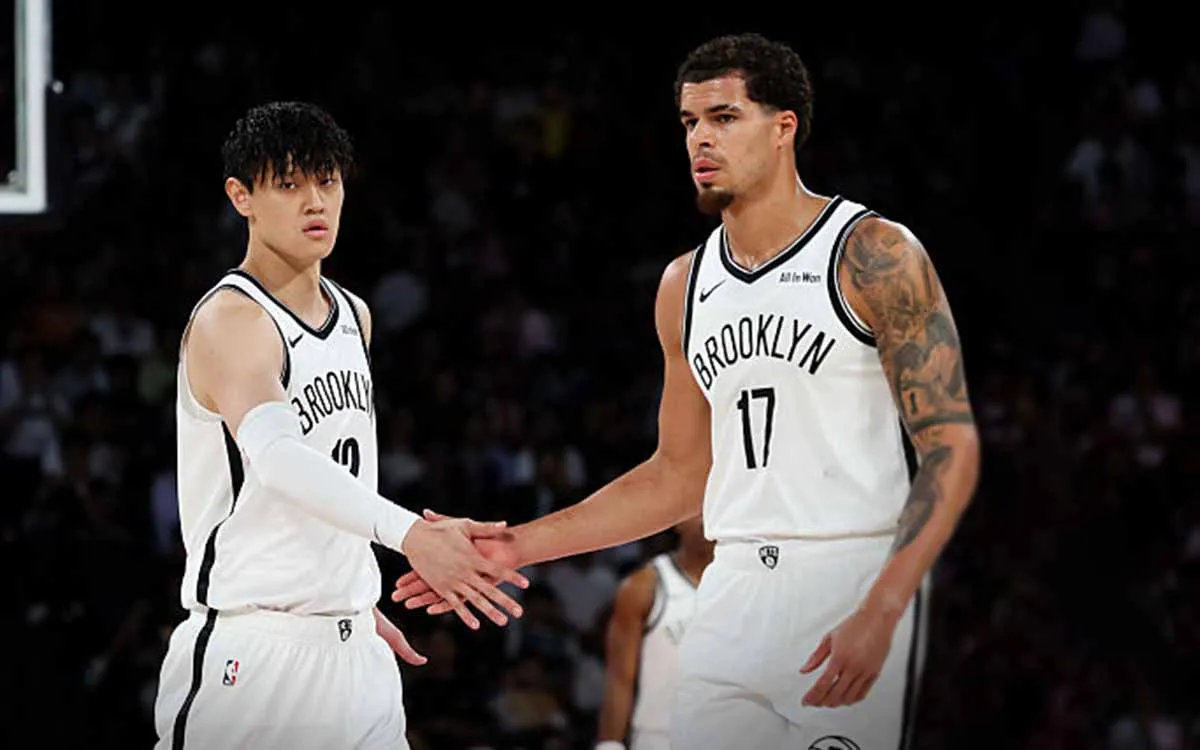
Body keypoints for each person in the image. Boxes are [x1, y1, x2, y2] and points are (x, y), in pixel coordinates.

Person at [397, 32, 980, 749]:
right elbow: (678, 478)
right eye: (689, 123)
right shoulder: (685, 285)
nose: (701, 139)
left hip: (850, 578)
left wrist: (887, 604)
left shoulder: (873, 253)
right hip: (732, 588)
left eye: (724, 118)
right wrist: (513, 548)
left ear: (783, 129)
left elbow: (951, 446)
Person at [153, 101, 527, 750]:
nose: (314, 202)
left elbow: (334, 471)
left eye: (327, 181)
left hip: (355, 651)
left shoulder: (355, 313)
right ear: (241, 197)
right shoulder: (231, 321)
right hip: (255, 653)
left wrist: (345, 594)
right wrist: (411, 534)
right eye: (289, 184)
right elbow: (276, 457)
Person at [595, 517, 713, 750]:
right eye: (698, 508)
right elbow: (620, 678)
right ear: (678, 520)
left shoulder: (745, 585)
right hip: (659, 737)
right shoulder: (644, 586)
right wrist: (609, 744)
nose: (706, 517)